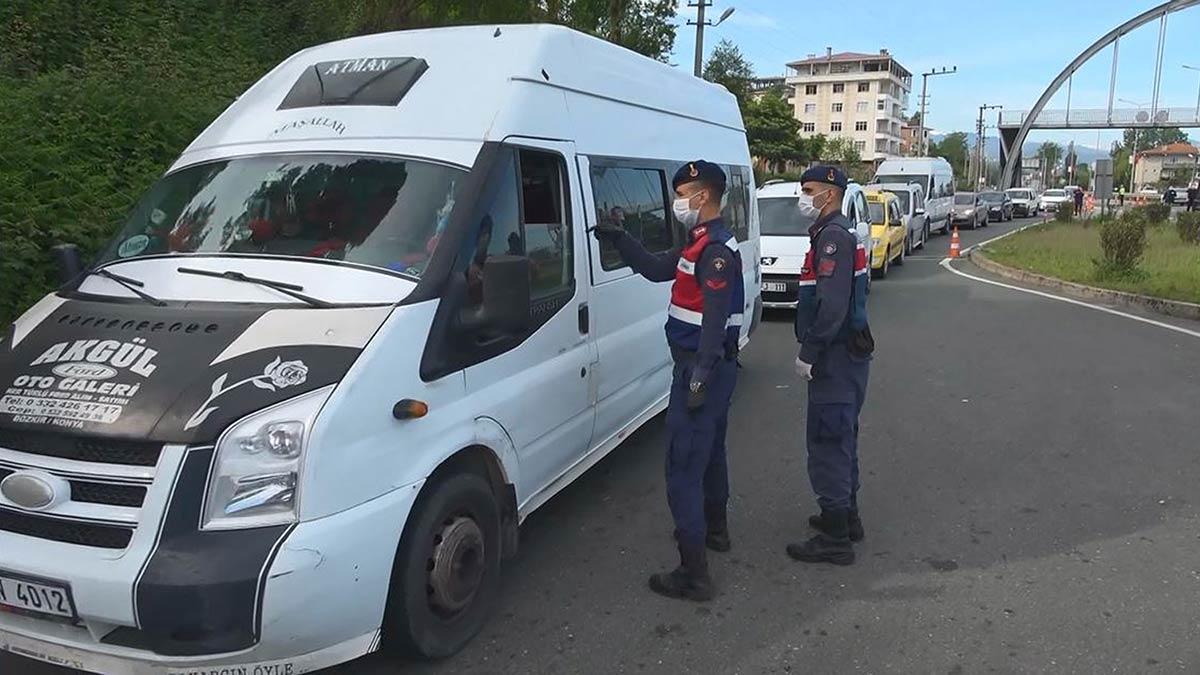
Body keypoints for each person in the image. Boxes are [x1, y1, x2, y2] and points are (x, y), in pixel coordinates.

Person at [593, 160, 743, 602]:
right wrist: (622, 240)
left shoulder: (714, 251)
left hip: (702, 369)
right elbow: (659, 269)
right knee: (710, 452)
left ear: (702, 197)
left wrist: (698, 380)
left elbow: (714, 325)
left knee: (682, 467)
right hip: (710, 370)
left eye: (682, 194)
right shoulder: (700, 243)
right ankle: (716, 529)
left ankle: (693, 573)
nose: (677, 203)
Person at [788, 165, 873, 567]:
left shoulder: (833, 238)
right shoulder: (833, 233)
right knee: (841, 438)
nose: (802, 197)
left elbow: (832, 306)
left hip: (835, 358)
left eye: (808, 190)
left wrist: (809, 352)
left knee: (828, 442)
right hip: (846, 356)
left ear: (829, 194)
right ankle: (845, 517)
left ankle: (837, 538)